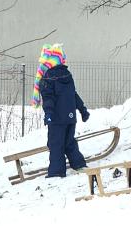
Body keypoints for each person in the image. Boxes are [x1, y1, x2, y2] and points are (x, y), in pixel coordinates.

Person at [32, 44, 90, 178]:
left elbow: (48, 99)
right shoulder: (67, 75)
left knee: (56, 144)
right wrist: (82, 110)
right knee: (69, 142)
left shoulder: (48, 78)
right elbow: (73, 95)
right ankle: (79, 164)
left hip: (57, 119)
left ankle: (56, 172)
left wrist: (49, 114)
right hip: (70, 118)